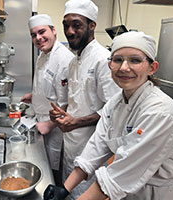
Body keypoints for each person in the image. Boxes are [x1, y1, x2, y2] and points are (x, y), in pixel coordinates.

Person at [44, 31, 173, 200]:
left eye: (135, 60)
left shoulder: (160, 112)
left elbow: (120, 175)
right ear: (110, 65)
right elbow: (97, 146)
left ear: (152, 68)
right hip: (132, 193)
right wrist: (64, 189)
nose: (124, 67)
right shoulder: (116, 102)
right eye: (118, 60)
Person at [49, 0, 120, 199]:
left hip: (92, 149)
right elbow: (78, 101)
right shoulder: (74, 61)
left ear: (92, 25)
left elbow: (112, 111)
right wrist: (61, 113)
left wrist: (77, 121)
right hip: (70, 143)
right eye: (66, 25)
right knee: (68, 192)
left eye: (77, 24)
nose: (70, 31)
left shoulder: (103, 60)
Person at [21, 14, 74, 185]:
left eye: (42, 32)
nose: (38, 38)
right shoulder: (42, 55)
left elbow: (67, 102)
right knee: (44, 165)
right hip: (40, 120)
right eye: (33, 35)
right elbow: (46, 85)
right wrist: (33, 95)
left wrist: (50, 125)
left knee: (54, 170)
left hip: (55, 128)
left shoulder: (64, 59)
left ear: (53, 30)